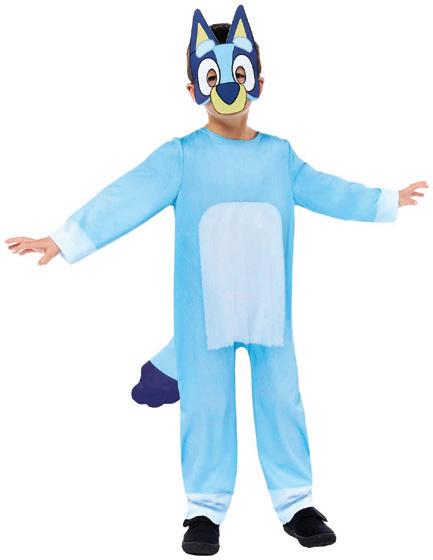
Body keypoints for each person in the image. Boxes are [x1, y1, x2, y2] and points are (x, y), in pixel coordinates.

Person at [5, 5, 428, 556]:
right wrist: (63, 238)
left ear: (259, 80)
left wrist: (385, 200)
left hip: (270, 310)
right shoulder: (182, 157)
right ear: (193, 89)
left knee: (282, 400)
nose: (228, 87)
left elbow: (329, 190)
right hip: (203, 315)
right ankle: (203, 509)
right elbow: (126, 196)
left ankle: (295, 502)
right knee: (207, 407)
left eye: (239, 73)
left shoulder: (279, 157)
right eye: (213, 77)